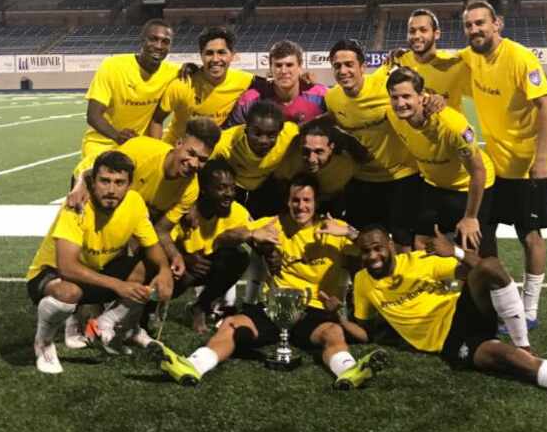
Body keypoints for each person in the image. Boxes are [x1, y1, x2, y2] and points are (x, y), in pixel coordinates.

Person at [350, 226, 547, 417]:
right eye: (366, 251)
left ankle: (523, 341)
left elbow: (475, 267)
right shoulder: (363, 282)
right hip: (449, 342)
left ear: (389, 245)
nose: (372, 256)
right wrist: (334, 314)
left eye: (377, 248)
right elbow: (363, 331)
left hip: (464, 309)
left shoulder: (420, 261)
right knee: (510, 361)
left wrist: (457, 252)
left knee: (490, 266)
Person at [154, 173, 387, 389]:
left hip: (315, 308)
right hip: (272, 306)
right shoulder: (273, 224)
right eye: (295, 200)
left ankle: (349, 371)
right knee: (231, 324)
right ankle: (193, 366)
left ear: (317, 202)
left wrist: (350, 234)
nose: (301, 206)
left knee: (333, 333)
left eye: (307, 200)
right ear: (288, 201)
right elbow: (223, 239)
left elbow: (382, 253)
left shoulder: (334, 229)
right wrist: (250, 234)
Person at [25, 151, 173, 374]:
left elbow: (153, 247)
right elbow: (66, 266)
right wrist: (118, 286)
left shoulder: (134, 203)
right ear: (92, 182)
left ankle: (107, 325)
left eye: (119, 182)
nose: (112, 189)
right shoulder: (77, 205)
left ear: (129, 185)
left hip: (95, 271)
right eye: (105, 181)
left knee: (149, 267)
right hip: (51, 275)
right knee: (68, 293)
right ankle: (44, 342)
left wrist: (164, 270)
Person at [459, 0, 547, 329]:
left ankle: (529, 308)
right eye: (469, 25)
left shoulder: (519, 57)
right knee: (486, 238)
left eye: (480, 23)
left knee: (530, 236)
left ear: (496, 23)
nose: (474, 30)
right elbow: (439, 61)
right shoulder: (471, 57)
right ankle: (502, 300)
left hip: (526, 167)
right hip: (492, 168)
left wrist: (540, 159)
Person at [69, 116, 223, 274]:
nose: (194, 163)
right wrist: (80, 184)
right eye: (191, 153)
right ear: (179, 143)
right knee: (85, 256)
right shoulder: (140, 149)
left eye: (202, 159)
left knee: (148, 265)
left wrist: (176, 256)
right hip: (91, 186)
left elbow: (161, 230)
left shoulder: (190, 190)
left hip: (131, 215)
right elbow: (97, 174)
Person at [324, 39, 424, 252]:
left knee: (403, 245)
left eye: (349, 64)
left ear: (362, 66)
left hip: (401, 178)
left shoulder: (386, 88)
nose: (343, 70)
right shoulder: (332, 98)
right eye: (337, 66)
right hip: (361, 181)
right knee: (362, 244)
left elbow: (418, 90)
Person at [385, 66, 497, 256]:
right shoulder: (392, 116)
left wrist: (470, 217)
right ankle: (436, 285)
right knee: (422, 240)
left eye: (406, 96)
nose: (400, 103)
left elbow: (478, 172)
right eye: (395, 97)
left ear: (421, 96)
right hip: (434, 185)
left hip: (468, 186)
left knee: (471, 251)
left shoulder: (453, 126)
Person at [168, 160, 266, 333]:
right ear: (204, 189)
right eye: (221, 188)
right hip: (179, 267)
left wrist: (272, 253)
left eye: (232, 188)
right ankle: (147, 308)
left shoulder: (238, 212)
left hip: (208, 267)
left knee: (239, 257)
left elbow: (257, 242)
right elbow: (160, 243)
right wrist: (183, 258)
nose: (229, 194)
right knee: (174, 278)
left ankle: (201, 307)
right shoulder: (185, 209)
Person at [80, 19, 179, 161]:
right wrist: (117, 136)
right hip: (102, 143)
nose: (159, 46)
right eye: (153, 39)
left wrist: (190, 68)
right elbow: (93, 115)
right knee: (93, 177)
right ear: (142, 40)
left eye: (165, 42)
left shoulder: (174, 72)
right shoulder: (113, 66)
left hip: (139, 145)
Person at [149, 26, 254, 144]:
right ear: (201, 55)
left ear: (232, 55)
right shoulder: (183, 84)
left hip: (212, 152)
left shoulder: (245, 81)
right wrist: (158, 152)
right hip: (177, 150)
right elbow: (157, 120)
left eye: (221, 52)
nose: (215, 59)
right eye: (209, 53)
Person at [213, 100, 299, 218]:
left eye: (271, 135)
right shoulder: (224, 144)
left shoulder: (289, 135)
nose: (263, 141)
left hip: (266, 185)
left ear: (279, 132)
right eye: (257, 134)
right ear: (246, 129)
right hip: (234, 187)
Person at [225, 40, 327, 126]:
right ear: (270, 68)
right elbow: (232, 136)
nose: (283, 71)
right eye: (278, 65)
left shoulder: (321, 96)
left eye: (289, 65)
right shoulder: (250, 100)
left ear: (300, 67)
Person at [390, 8, 470, 112]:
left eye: (423, 30)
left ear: (436, 34)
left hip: (447, 127)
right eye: (412, 31)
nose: (416, 36)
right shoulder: (398, 60)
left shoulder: (456, 65)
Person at [273, 119, 356, 216]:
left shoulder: (345, 167)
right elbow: (279, 183)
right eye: (306, 151)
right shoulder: (287, 159)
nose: (311, 159)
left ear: (331, 148)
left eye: (319, 152)